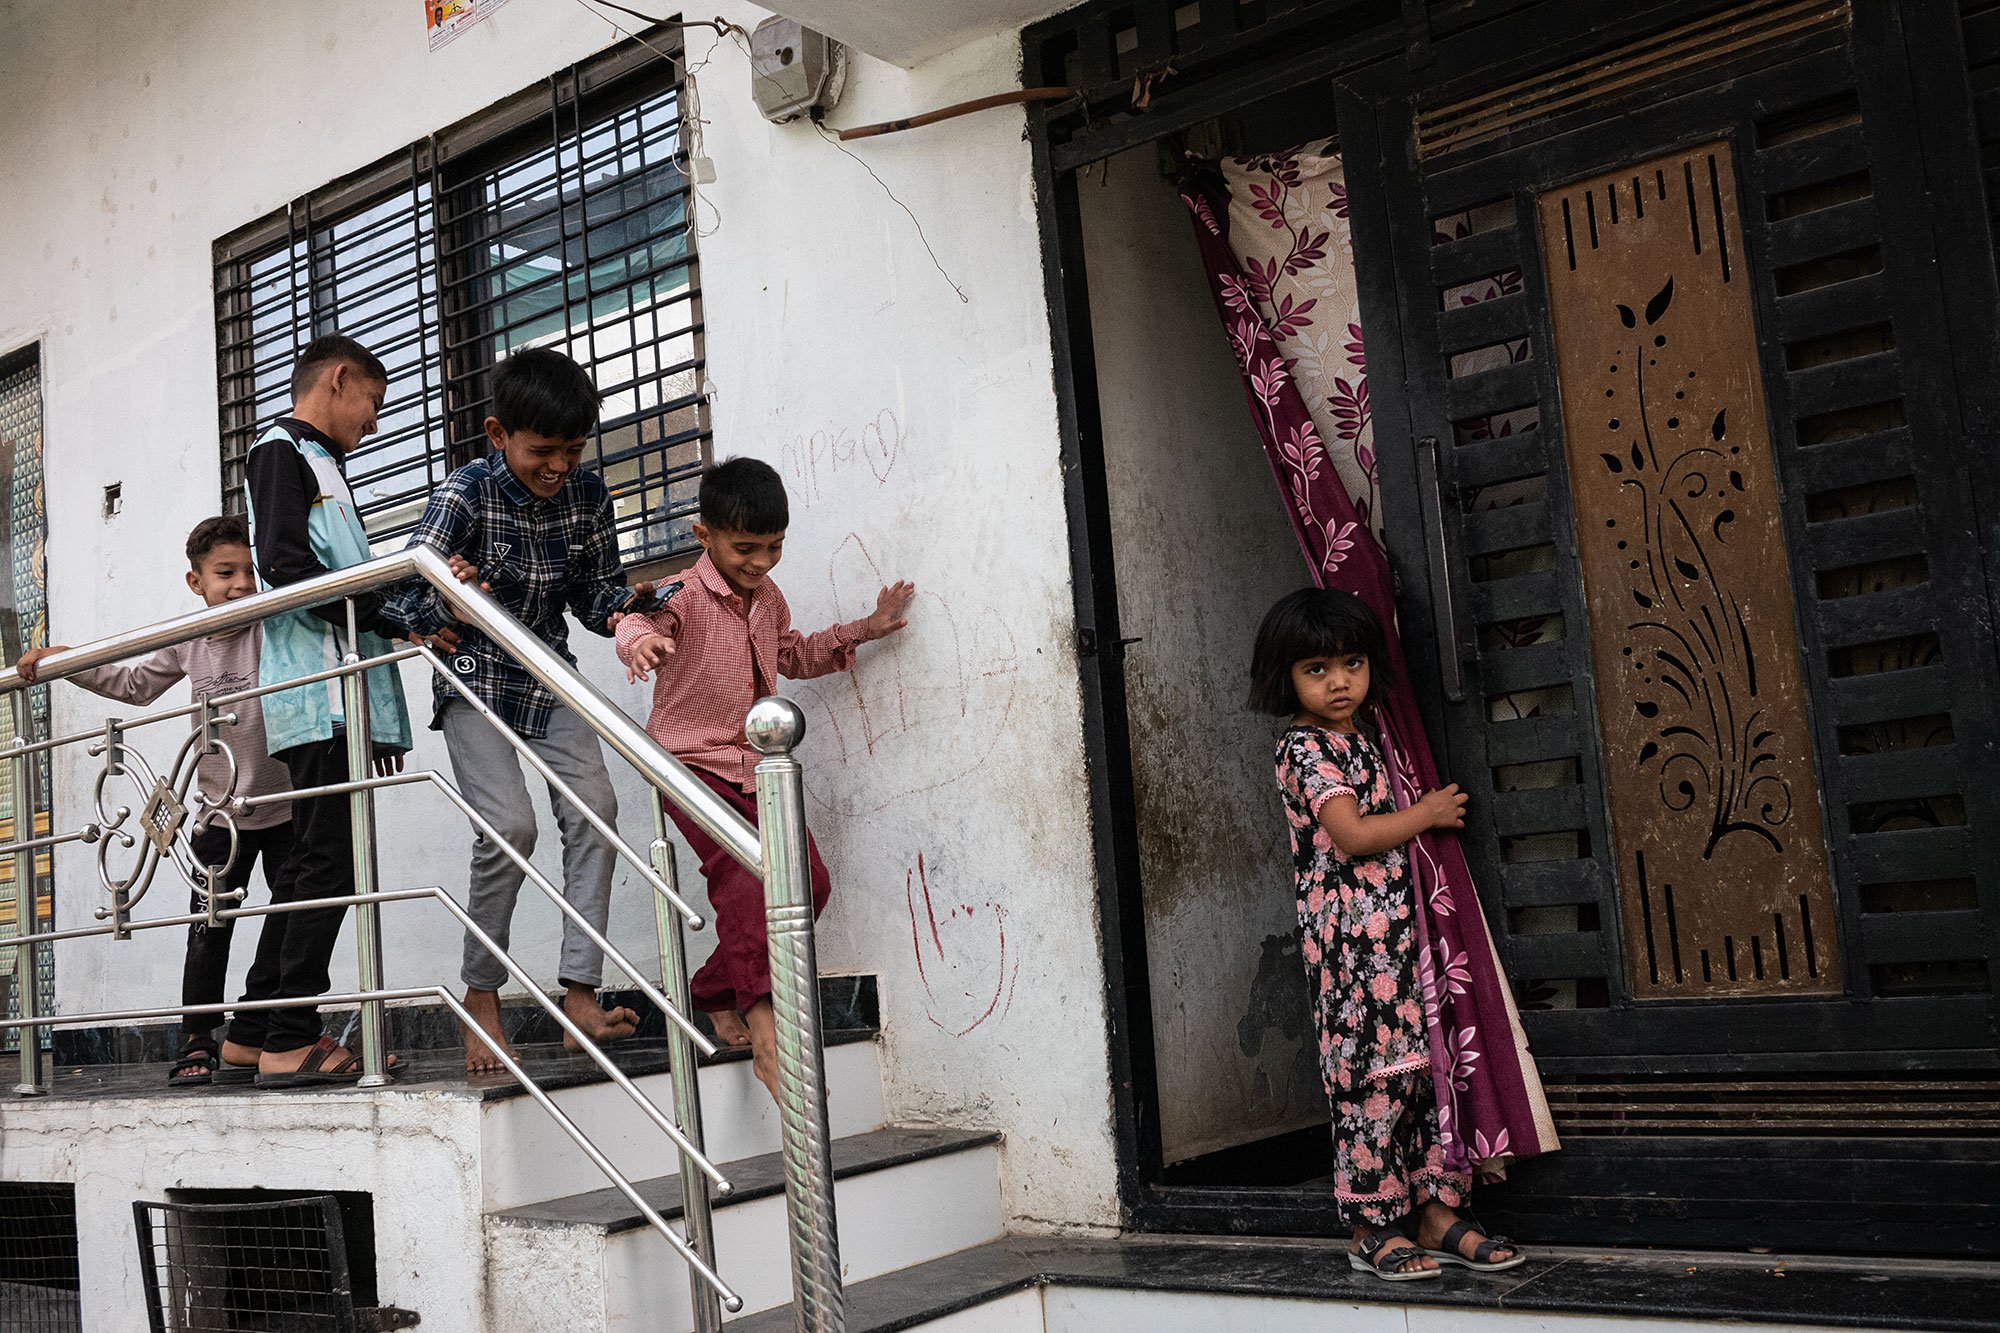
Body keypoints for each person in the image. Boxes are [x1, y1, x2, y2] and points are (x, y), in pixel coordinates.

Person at [384, 348, 651, 1075]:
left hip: (544, 672)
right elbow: (401, 591)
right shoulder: (464, 493)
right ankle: (482, 995)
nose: (560, 465)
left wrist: (634, 609)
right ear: (498, 432)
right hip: (473, 673)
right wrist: (446, 590)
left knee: (594, 810)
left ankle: (579, 996)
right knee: (508, 826)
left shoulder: (589, 496)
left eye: (573, 449)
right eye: (543, 450)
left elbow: (595, 596)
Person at [614, 457, 913, 1101]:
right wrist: (639, 644)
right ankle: (767, 1026)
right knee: (746, 880)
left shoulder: (768, 598)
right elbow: (635, 618)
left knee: (809, 882)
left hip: (756, 770)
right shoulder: (683, 595)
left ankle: (714, 988)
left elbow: (794, 654)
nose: (760, 561)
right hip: (690, 768)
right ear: (704, 536)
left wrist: (868, 626)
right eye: (745, 547)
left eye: (773, 547)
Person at [1249, 587, 1526, 1281]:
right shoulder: (1305, 748)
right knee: (1372, 1079)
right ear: (1285, 676)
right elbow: (1352, 833)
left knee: (1427, 1072)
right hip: (1350, 950)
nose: (1339, 680)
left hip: (1402, 942)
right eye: (1318, 668)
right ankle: (1372, 1225)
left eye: (1352, 662)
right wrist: (1426, 811)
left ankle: (1436, 1208)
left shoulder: (1371, 734)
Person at [17, 517, 295, 1089]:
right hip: (221, 813)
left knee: (291, 920)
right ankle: (198, 1039)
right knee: (209, 927)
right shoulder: (190, 639)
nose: (241, 583)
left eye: (249, 571)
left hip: (293, 802)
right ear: (196, 582)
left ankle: (257, 1023)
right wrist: (66, 660)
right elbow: (134, 683)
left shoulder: (275, 624)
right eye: (225, 573)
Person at [243, 333, 413, 1088]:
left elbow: (330, 572)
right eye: (372, 403)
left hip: (337, 694)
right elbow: (282, 563)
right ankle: (288, 1036)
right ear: (340, 381)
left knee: (311, 863)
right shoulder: (281, 450)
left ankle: (254, 1029)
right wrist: (388, 606)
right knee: (327, 864)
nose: (373, 422)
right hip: (316, 692)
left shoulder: (320, 464)